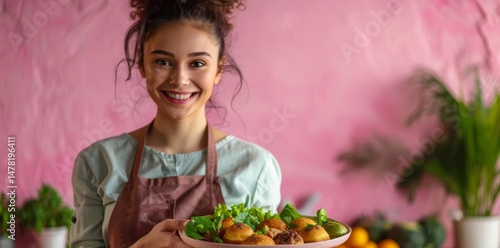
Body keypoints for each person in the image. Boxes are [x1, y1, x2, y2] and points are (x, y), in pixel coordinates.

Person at [70, 0, 282, 247]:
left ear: (219, 68)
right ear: (142, 63)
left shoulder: (255, 167)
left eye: (197, 63)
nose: (180, 79)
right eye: (163, 61)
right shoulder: (97, 162)